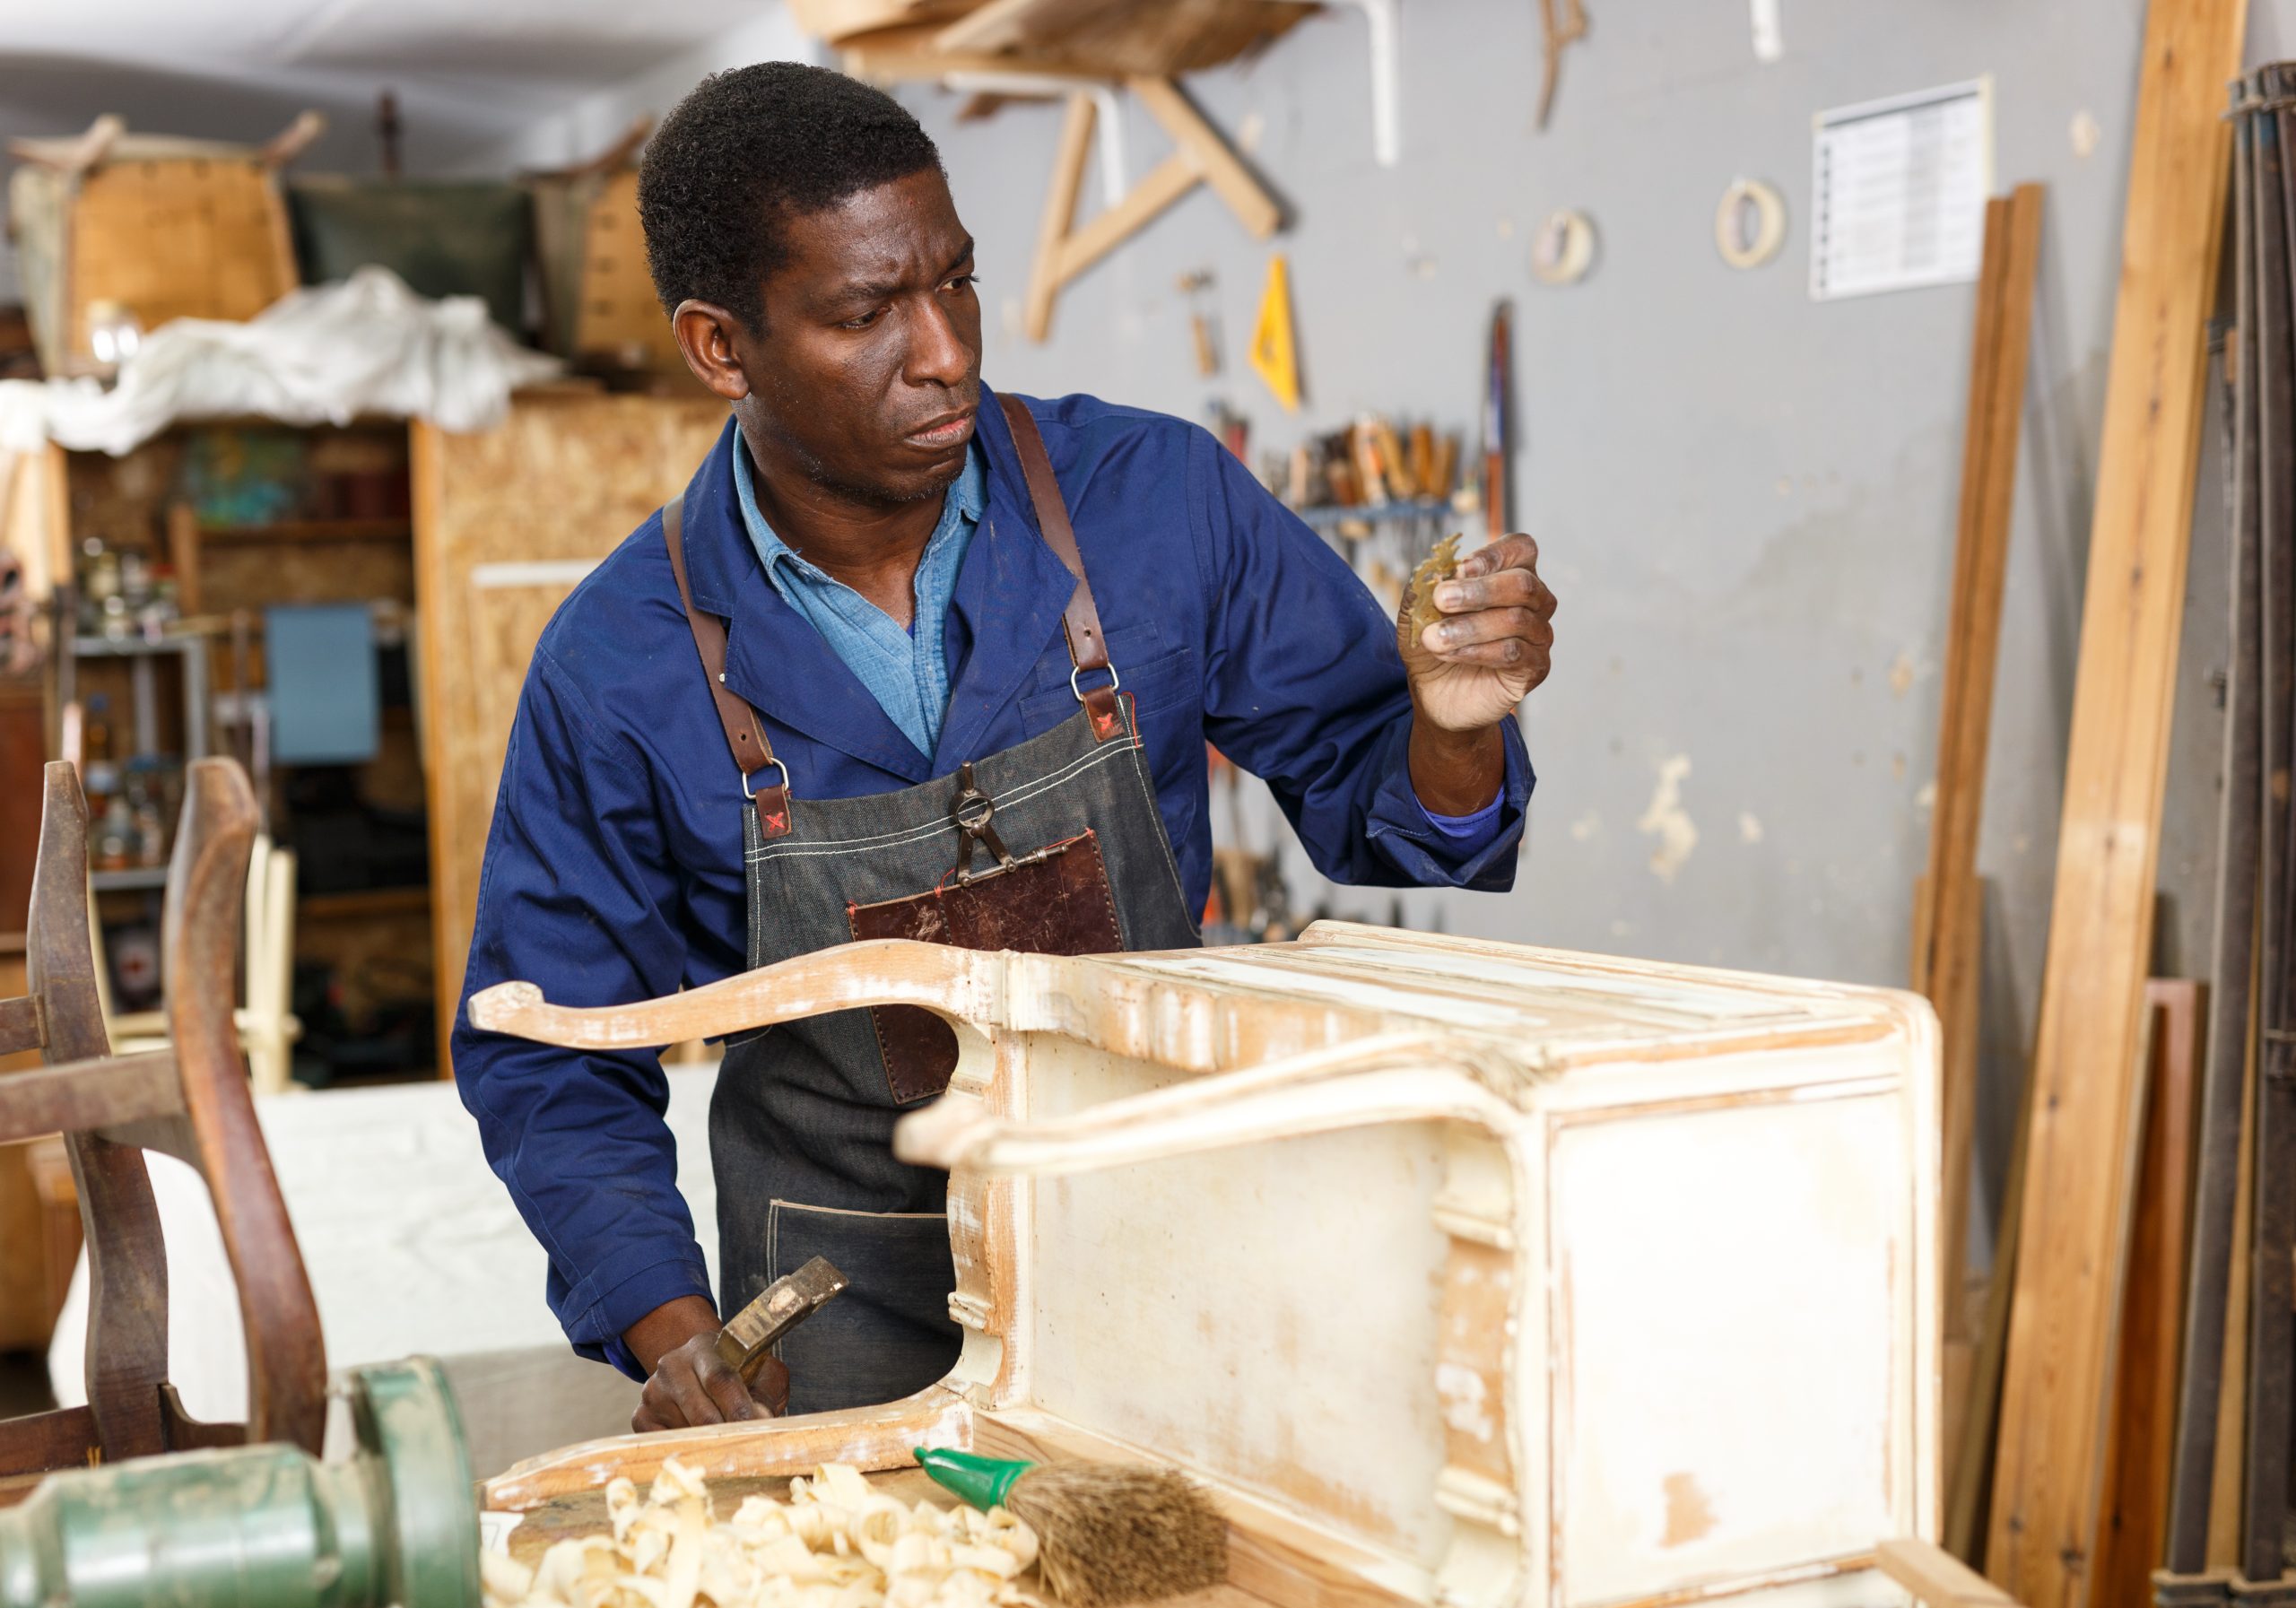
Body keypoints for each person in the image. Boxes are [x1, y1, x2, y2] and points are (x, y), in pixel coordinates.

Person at [456, 62, 1556, 1432]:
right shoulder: (618, 665)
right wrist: (681, 1333)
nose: (947, 351)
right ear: (720, 347)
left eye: (956, 282)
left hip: (1164, 1228)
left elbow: (1389, 806)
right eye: (867, 312)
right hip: (834, 1304)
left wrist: (1452, 732)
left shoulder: (1157, 504)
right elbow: (550, 1050)